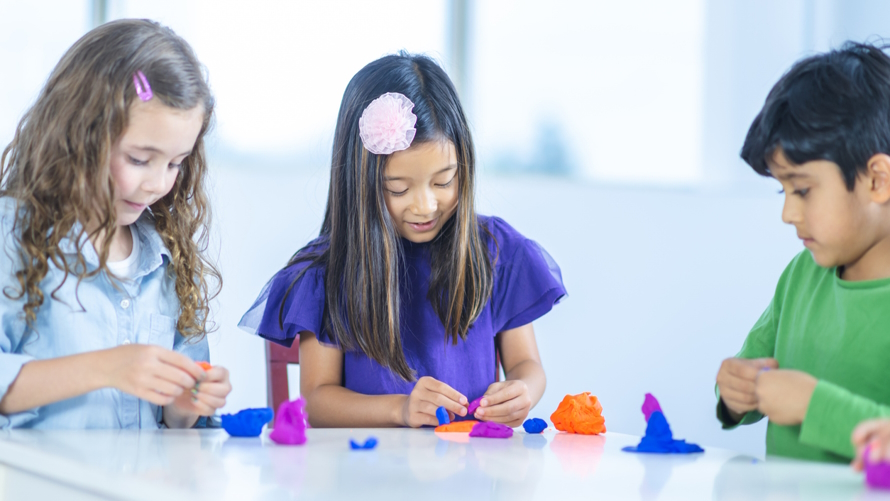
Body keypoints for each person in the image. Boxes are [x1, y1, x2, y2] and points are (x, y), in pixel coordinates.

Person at [240, 53, 566, 428]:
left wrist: (523, 389)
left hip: (470, 476)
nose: (426, 206)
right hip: (368, 475)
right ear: (359, 182)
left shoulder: (494, 252)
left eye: (444, 182)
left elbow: (528, 366)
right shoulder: (328, 273)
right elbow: (316, 400)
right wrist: (401, 409)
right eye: (397, 189)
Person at [0, 19, 230, 429]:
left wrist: (187, 401)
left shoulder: (165, 258)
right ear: (79, 135)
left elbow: (175, 418)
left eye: (176, 163)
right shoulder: (14, 234)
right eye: (139, 159)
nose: (157, 183)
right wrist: (107, 368)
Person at [715, 42, 890, 462]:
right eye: (783, 189)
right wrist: (733, 392)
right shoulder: (801, 275)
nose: (788, 213)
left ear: (877, 181)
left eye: (803, 190)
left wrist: (816, 407)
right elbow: (745, 375)